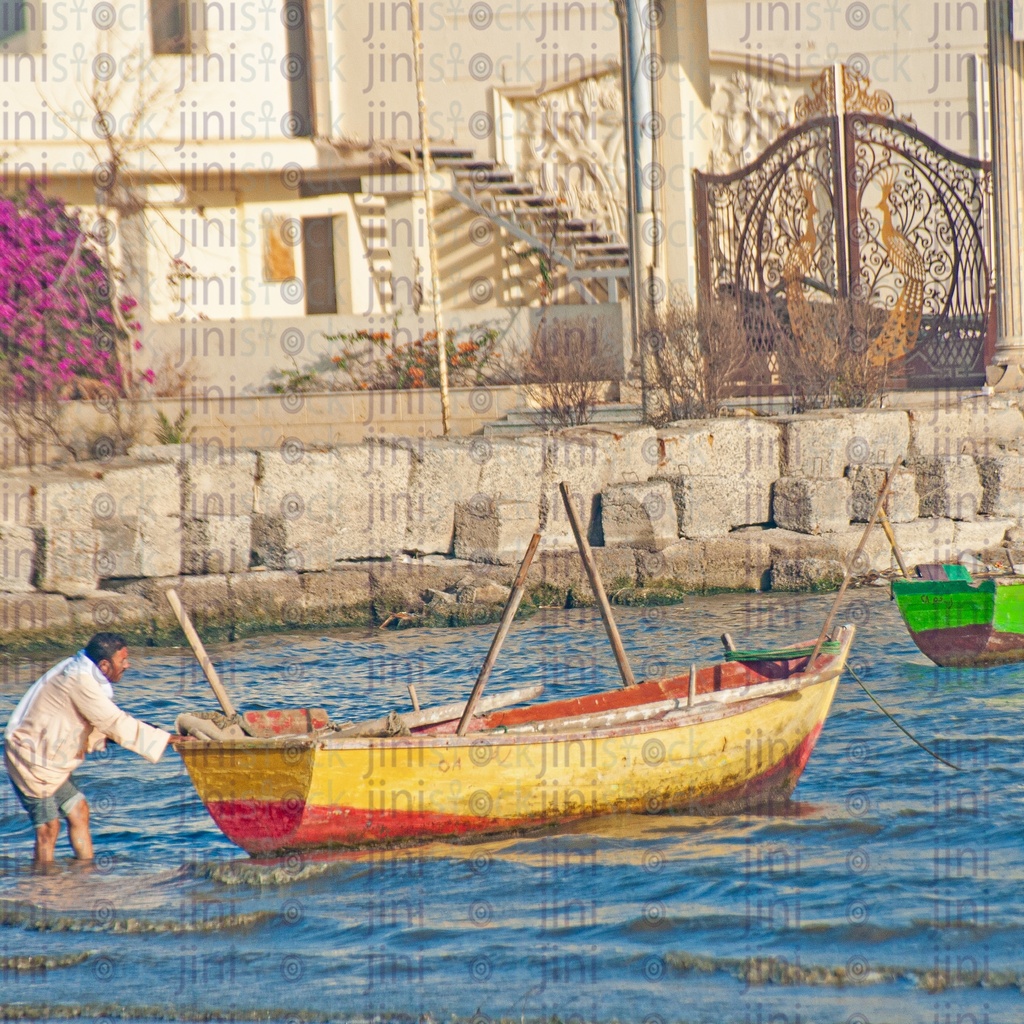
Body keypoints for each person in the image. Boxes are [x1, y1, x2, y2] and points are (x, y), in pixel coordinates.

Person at [3, 632, 171, 864]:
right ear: (103, 665)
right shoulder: (79, 679)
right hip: (29, 757)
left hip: (49, 758)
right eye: (123, 660)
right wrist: (168, 739)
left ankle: (85, 872)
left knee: (79, 811)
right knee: (48, 828)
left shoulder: (83, 672)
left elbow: (101, 723)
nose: (127, 665)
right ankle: (42, 884)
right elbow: (113, 722)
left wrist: (157, 733)